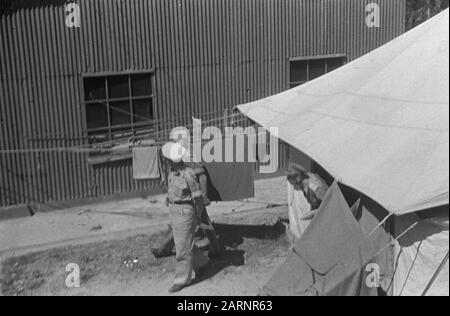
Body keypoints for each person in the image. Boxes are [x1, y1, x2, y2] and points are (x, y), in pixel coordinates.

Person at [162, 142, 210, 293]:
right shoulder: (172, 172)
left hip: (185, 212)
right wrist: (168, 198)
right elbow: (172, 188)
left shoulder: (188, 173)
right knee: (183, 243)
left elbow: (198, 198)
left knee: (182, 248)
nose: (165, 160)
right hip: (175, 210)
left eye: (166, 158)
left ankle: (181, 279)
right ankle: (202, 263)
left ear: (171, 159)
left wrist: (198, 217)